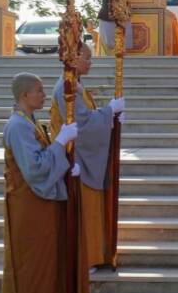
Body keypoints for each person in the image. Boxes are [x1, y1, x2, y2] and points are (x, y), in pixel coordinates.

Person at [0, 72, 90, 293]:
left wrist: (66, 164)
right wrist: (60, 143)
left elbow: (44, 160)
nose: (43, 95)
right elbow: (36, 168)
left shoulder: (30, 121)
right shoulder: (18, 126)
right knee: (28, 266)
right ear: (25, 95)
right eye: (39, 91)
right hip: (27, 207)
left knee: (42, 265)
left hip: (38, 205)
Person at [49, 45, 126, 270]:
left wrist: (110, 118)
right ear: (74, 58)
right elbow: (82, 124)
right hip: (78, 160)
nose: (91, 62)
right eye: (87, 57)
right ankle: (84, 259)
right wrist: (109, 112)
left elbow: (86, 117)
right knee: (84, 211)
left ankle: (94, 255)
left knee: (91, 210)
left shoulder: (76, 84)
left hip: (85, 157)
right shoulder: (66, 87)